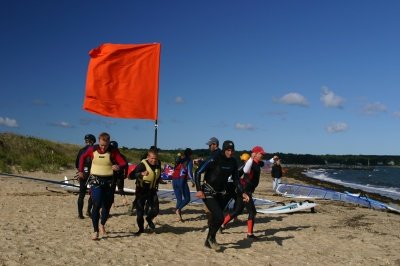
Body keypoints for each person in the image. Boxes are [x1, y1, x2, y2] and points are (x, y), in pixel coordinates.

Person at [195, 140, 249, 251]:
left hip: (220, 193)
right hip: (208, 192)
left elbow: (236, 180)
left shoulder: (233, 162)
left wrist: (242, 192)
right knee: (220, 217)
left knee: (216, 217)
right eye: (228, 150)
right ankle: (212, 239)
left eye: (232, 150)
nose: (230, 152)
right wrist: (199, 189)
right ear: (224, 150)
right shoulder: (215, 158)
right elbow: (198, 172)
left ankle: (208, 240)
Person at [78, 132, 127, 240]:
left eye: (105, 145)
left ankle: (102, 224)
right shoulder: (93, 149)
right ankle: (95, 231)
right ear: (98, 142)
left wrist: (118, 166)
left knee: (107, 206)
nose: (103, 147)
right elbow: (82, 157)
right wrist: (80, 170)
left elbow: (124, 163)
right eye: (101, 145)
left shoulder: (113, 151)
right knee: (96, 204)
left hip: (109, 181)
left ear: (109, 142)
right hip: (95, 180)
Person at [221, 146, 266, 239]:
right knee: (252, 212)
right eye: (261, 154)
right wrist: (251, 158)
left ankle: (221, 225)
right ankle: (250, 234)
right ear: (255, 154)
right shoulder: (251, 163)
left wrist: (273, 160)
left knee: (237, 211)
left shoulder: (258, 163)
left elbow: (266, 164)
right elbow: (245, 170)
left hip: (242, 189)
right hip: (245, 191)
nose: (262, 155)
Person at [129, 147, 161, 236]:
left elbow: (157, 175)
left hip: (152, 190)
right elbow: (130, 176)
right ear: (148, 157)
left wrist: (158, 182)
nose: (154, 160)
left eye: (155, 158)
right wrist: (141, 174)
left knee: (156, 210)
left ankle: (149, 219)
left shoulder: (158, 163)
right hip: (141, 191)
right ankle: (141, 229)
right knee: (140, 213)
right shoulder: (142, 165)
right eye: (152, 158)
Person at [75, 134, 96, 219]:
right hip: (93, 174)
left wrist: (80, 171)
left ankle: (80, 214)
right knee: (92, 194)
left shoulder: (81, 150)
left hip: (83, 173)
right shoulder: (95, 150)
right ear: (93, 141)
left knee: (81, 194)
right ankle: (88, 211)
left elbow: (77, 164)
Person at [172, 148, 193, 222]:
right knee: (187, 198)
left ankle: (179, 217)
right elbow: (190, 173)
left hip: (174, 180)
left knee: (179, 199)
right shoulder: (189, 161)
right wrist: (193, 181)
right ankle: (177, 209)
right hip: (181, 180)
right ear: (190, 154)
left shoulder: (179, 160)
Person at [109, 141, 129, 206]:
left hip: (119, 173)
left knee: (119, 188)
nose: (112, 149)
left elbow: (126, 165)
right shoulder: (109, 155)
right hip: (112, 174)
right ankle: (112, 202)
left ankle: (124, 199)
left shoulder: (120, 156)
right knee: (112, 188)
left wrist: (125, 174)